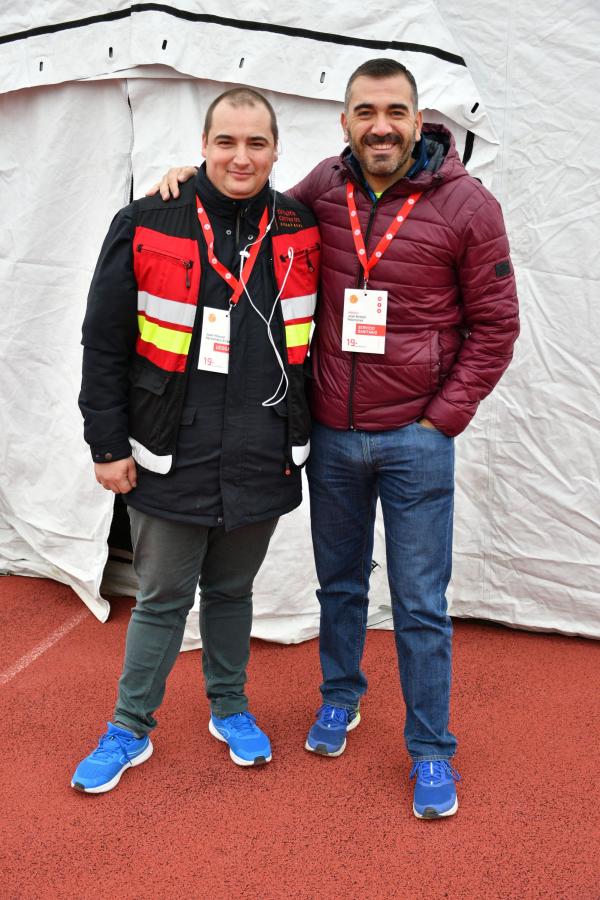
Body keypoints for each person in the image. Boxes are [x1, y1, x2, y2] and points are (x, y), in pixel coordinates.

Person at [149, 57, 519, 819]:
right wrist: (194, 176)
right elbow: (250, 198)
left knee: (418, 603)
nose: (379, 125)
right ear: (344, 121)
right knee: (340, 586)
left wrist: (441, 418)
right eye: (364, 112)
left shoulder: (469, 206)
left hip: (417, 440)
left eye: (394, 111)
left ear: (420, 120)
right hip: (334, 437)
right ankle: (339, 698)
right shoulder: (323, 187)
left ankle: (429, 750)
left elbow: (496, 326)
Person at [72, 87, 320, 793]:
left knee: (234, 591)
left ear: (276, 150)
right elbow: (104, 341)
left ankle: (230, 707)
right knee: (161, 598)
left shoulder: (304, 224)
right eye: (226, 142)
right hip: (166, 450)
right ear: (202, 147)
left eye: (257, 143)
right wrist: (105, 443)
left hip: (262, 449)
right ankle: (128, 726)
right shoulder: (148, 218)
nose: (241, 157)